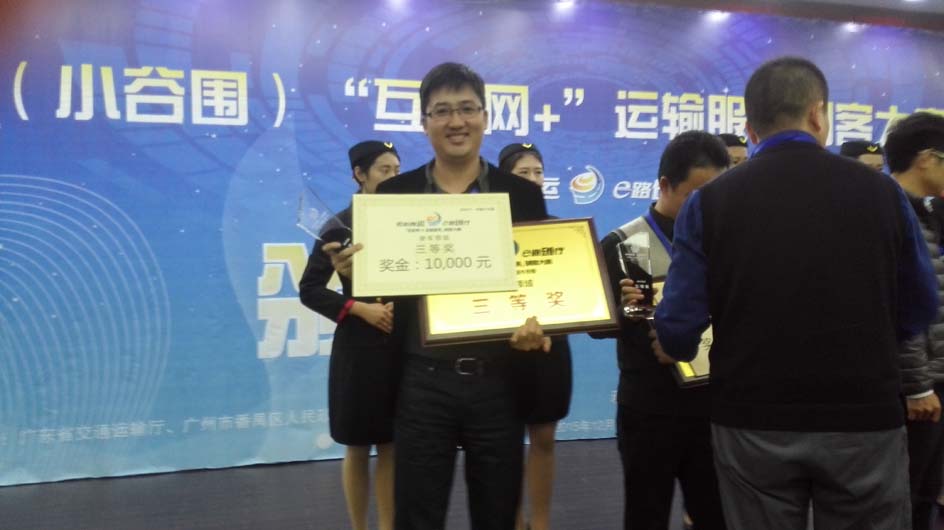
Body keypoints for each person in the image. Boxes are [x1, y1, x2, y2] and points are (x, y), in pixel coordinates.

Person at [651, 56, 938, 529]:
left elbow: (679, 328)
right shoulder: (882, 193)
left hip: (751, 417)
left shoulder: (709, 202)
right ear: (817, 114)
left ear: (750, 129)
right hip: (863, 415)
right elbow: (921, 305)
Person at [326, 62, 551, 530]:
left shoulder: (521, 195)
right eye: (442, 111)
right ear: (424, 122)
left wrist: (540, 323)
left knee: (498, 515)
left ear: (485, 117)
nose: (456, 121)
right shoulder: (394, 194)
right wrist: (352, 275)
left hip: (499, 380)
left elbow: (536, 278)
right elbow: (381, 288)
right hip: (421, 382)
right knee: (417, 516)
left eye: (467, 108)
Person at [594, 131, 728, 530]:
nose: (706, 208)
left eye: (716, 196)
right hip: (649, 408)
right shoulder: (625, 243)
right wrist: (622, 313)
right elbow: (598, 327)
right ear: (665, 185)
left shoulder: (728, 239)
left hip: (713, 407)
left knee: (716, 515)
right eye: (695, 196)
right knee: (645, 515)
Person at [298, 140, 401, 530]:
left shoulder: (407, 219)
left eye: (397, 170)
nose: (393, 178)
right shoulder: (338, 227)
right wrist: (360, 309)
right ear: (359, 174)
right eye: (384, 170)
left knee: (392, 445)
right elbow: (310, 289)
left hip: (400, 346)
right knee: (358, 446)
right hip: (358, 350)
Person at [498, 142, 573, 530]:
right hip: (500, 353)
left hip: (549, 348)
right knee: (504, 445)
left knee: (544, 439)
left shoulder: (561, 231)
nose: (532, 180)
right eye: (522, 173)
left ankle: (540, 523)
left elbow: (576, 294)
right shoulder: (484, 233)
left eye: (538, 172)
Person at [885, 111, 944, 530]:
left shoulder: (927, 212)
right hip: (916, 389)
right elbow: (900, 311)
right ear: (925, 159)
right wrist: (918, 385)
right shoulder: (891, 213)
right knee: (903, 496)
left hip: (935, 378)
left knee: (925, 492)